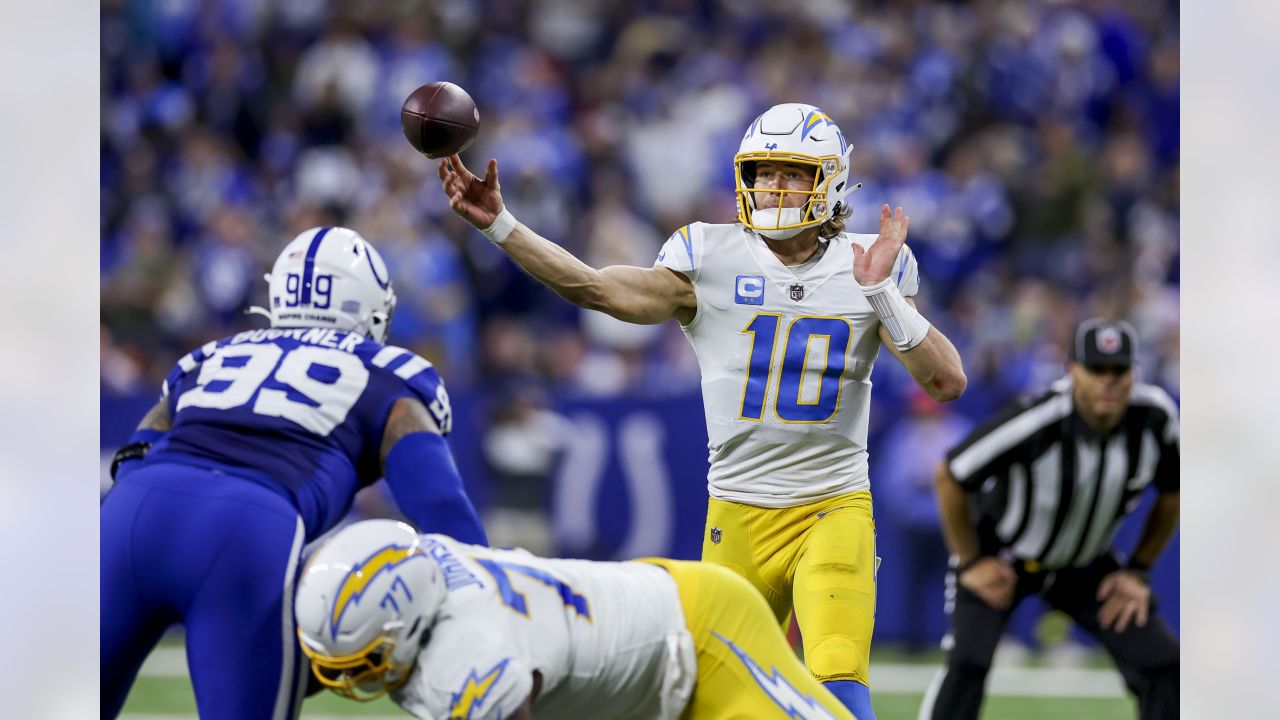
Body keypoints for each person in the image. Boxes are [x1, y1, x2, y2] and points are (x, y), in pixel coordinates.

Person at [434, 102, 967, 718]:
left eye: (792, 173)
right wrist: (502, 226)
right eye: (763, 172)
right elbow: (596, 288)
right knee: (711, 699)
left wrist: (881, 294)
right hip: (736, 512)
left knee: (838, 683)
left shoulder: (871, 262)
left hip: (833, 508)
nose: (773, 187)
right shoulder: (707, 256)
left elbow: (946, 381)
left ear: (831, 181)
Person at [101, 227, 489, 720]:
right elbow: (442, 506)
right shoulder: (389, 374)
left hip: (129, 513)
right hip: (247, 526)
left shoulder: (213, 358)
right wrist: (487, 594)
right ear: (369, 309)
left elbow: (143, 443)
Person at [295, 518, 856, 719]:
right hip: (624, 687)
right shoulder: (416, 567)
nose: (348, 681)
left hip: (701, 636)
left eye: (363, 664)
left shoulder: (467, 652)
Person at [921, 318, 1180, 720]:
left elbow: (1173, 491)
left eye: (1119, 371)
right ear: (1072, 370)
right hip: (1004, 556)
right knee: (968, 664)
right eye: (1096, 370)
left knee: (1164, 664)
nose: (1108, 382)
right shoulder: (1037, 420)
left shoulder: (1154, 418)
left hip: (1086, 564)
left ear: (1134, 372)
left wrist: (1139, 571)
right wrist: (971, 562)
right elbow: (950, 475)